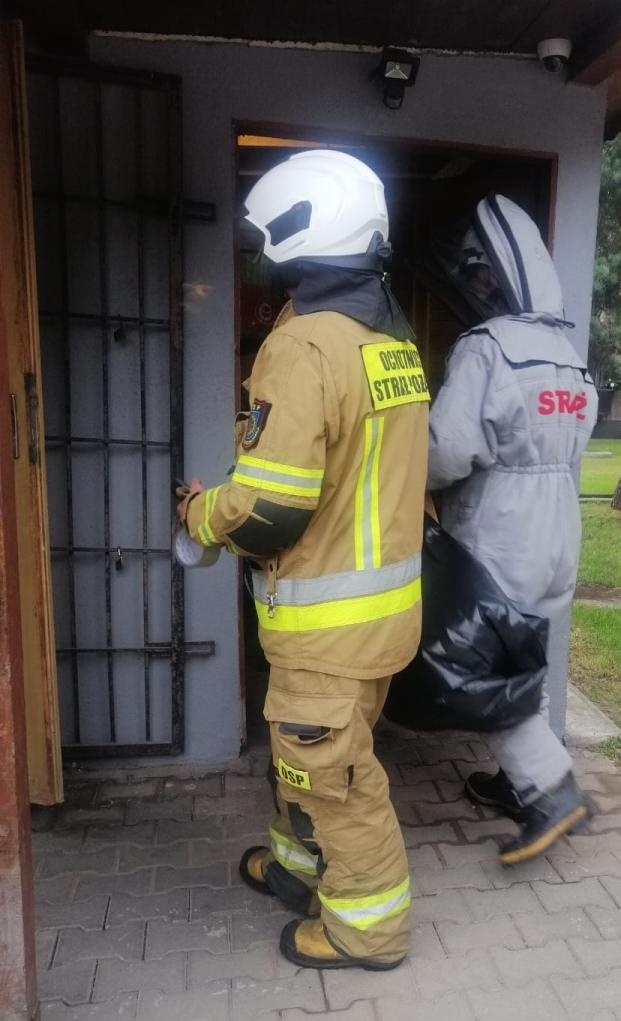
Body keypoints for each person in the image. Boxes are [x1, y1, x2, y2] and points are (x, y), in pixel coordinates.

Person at [178, 150, 429, 970]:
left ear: (299, 229)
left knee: (337, 781)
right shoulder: (390, 340)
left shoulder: (303, 346)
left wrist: (200, 513)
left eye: (265, 233)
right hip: (381, 622)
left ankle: (371, 933)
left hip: (325, 629)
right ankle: (297, 873)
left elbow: (272, 510)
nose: (258, 249)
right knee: (313, 760)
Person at [427, 194, 599, 865]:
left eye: (478, 273)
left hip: (502, 525)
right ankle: (513, 779)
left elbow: (446, 452)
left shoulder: (485, 349)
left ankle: (551, 791)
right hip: (560, 521)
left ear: (496, 275)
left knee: (485, 665)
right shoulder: (566, 351)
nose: (473, 284)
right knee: (532, 654)